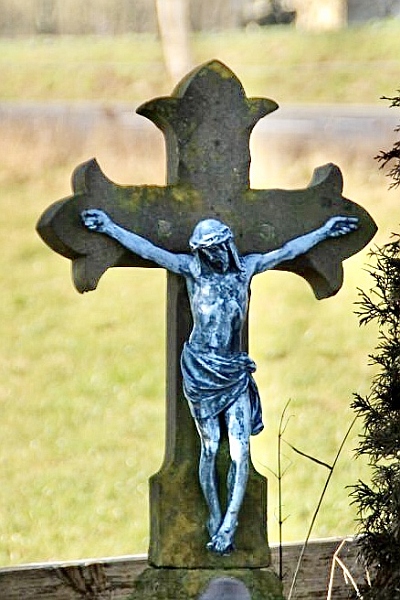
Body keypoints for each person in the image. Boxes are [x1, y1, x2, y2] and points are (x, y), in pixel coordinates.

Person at [81, 209, 358, 555]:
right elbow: (148, 250)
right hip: (200, 369)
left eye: (216, 247)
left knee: (241, 451)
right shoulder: (193, 271)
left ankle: (229, 523)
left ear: (227, 244)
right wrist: (109, 227)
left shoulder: (247, 270)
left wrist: (326, 231)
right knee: (210, 448)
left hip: (233, 370)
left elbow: (288, 250)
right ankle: (214, 514)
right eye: (206, 250)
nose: (213, 255)